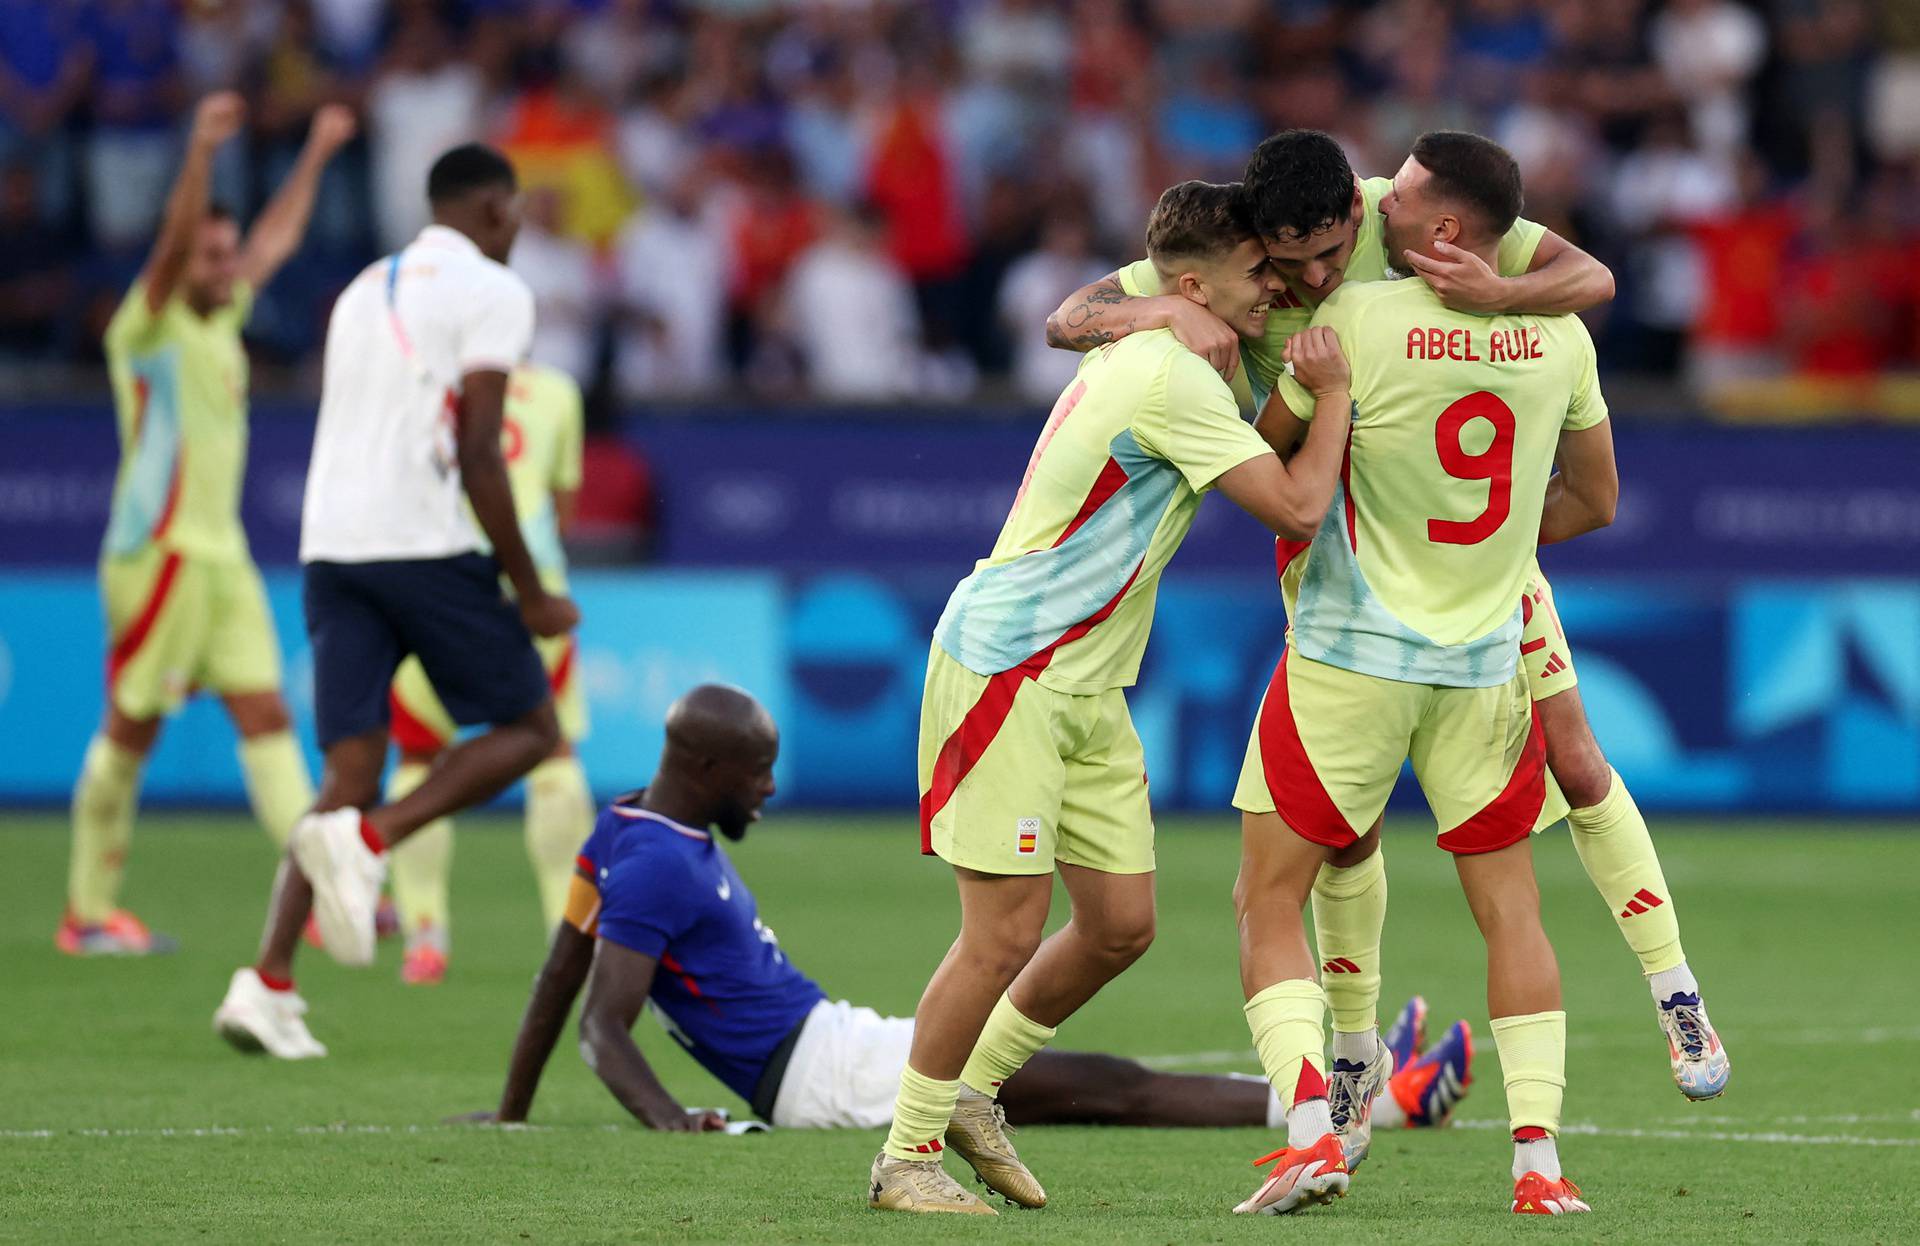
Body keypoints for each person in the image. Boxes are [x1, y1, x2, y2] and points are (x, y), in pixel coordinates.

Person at [1049, 128, 1728, 1108]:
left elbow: (1590, 278)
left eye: (1333, 251)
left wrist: (1502, 295)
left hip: (1469, 554)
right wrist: (1158, 304)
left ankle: (1676, 991)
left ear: (1360, 214)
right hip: (1338, 560)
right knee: (1344, 831)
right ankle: (1358, 1051)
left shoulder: (1398, 216)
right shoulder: (1235, 252)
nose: (1317, 277)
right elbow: (1068, 317)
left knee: (1576, 758)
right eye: (1294, 266)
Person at [868, 180, 1360, 1217]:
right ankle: (906, 1154)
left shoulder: (1168, 351)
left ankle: (970, 1092)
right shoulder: (1164, 379)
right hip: (1014, 664)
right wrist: (1339, 391)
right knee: (1001, 931)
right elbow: (1299, 506)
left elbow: (1086, 316)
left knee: (1120, 924)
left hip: (1087, 679)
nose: (1275, 289)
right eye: (1255, 275)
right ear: (1191, 285)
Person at [452, 685, 1478, 1144]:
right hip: (825, 1081)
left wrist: (508, 1107)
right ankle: (1364, 1104)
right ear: (709, 767)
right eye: (758, 773)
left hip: (837, 1044)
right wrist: (672, 1122)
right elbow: (598, 1016)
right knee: (1096, 1088)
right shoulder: (657, 869)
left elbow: (559, 971)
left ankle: (1354, 1096)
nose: (768, 789)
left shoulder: (622, 829)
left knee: (1090, 1084)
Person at [1227, 132, 1614, 1217]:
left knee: (1268, 896)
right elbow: (1595, 503)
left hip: (1350, 656)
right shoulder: (1560, 336)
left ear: (1445, 228)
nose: (1376, 208)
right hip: (1489, 661)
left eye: (1396, 198)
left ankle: (1313, 1129)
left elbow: (1266, 455)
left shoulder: (1350, 321)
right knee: (1512, 912)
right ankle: (1539, 1168)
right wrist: (1475, 552)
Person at [212, 143, 579, 1059]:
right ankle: (374, 843)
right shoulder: (494, 290)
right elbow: (483, 447)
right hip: (422, 543)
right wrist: (530, 591)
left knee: (345, 770)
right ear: (496, 208)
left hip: (331, 549)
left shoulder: (362, 288)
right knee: (532, 732)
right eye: (518, 211)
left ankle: (265, 982)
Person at [61, 94, 354, 956]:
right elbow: (171, 244)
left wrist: (317, 153)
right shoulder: (143, 325)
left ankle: (323, 889)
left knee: (265, 716)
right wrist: (198, 152)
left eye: (229, 255)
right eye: (212, 255)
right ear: (181, 259)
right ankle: (86, 914)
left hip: (219, 555)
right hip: (157, 554)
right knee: (132, 729)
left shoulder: (221, 312)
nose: (230, 267)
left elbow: (275, 239)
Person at [385, 360, 594, 985]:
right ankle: (566, 943)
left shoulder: (420, 380)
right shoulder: (558, 389)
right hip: (533, 593)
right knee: (552, 756)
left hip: (437, 590)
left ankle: (424, 936)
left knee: (420, 758)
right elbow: (562, 510)